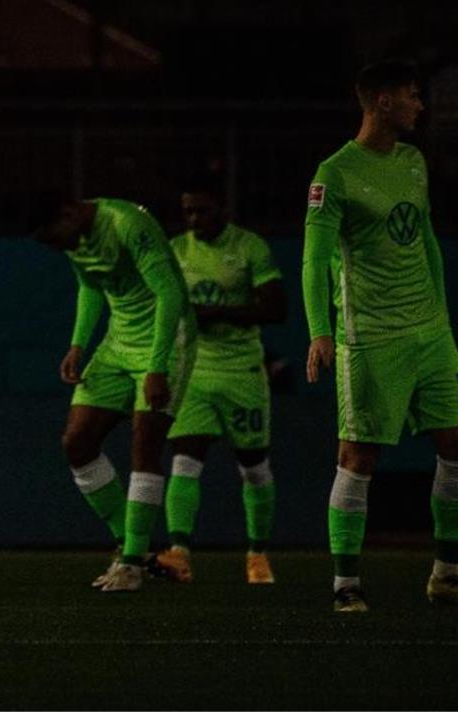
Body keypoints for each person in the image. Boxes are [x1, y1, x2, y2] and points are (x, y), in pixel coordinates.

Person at [303, 59, 458, 612]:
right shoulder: (336, 173)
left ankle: (447, 573)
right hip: (370, 337)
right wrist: (320, 332)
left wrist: (442, 320)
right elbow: (314, 259)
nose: (421, 105)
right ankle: (345, 583)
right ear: (381, 102)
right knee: (358, 456)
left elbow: (425, 242)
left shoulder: (414, 161)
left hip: (431, 334)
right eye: (412, 95)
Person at [34, 196, 197, 592]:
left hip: (165, 341)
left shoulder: (127, 225)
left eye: (60, 239)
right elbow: (91, 287)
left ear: (70, 212)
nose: (63, 249)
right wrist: (77, 345)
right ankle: (130, 545)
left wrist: (157, 366)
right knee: (77, 442)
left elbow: (170, 294)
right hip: (117, 343)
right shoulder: (78, 238)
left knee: (144, 446)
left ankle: (131, 566)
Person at [155, 172, 287, 585]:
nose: (194, 219)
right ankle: (179, 552)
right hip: (193, 370)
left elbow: (276, 309)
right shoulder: (175, 251)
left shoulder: (249, 248)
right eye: (188, 212)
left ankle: (258, 554)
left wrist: (217, 313)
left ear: (222, 210)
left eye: (202, 211)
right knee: (185, 460)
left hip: (242, 370)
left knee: (253, 466)